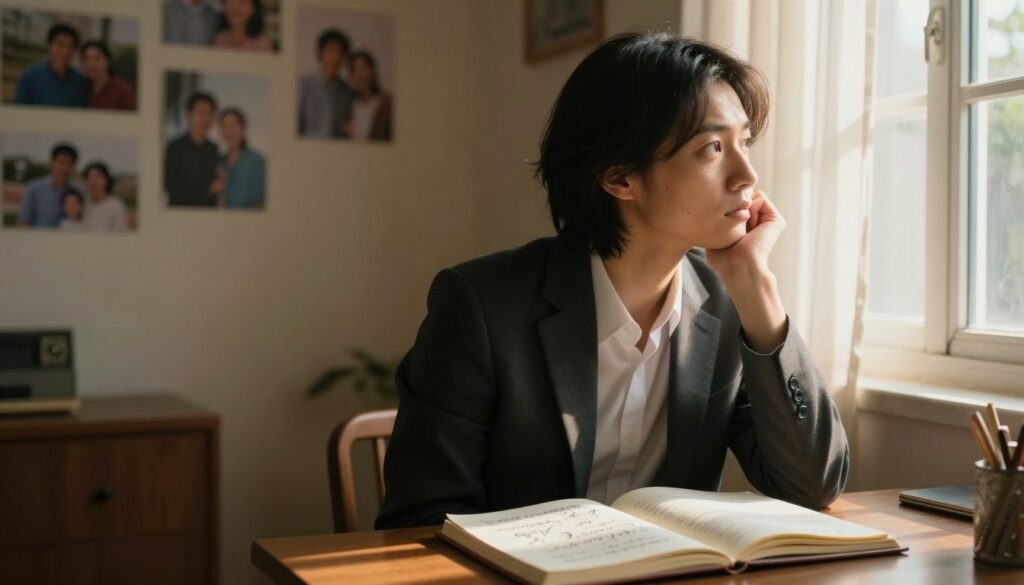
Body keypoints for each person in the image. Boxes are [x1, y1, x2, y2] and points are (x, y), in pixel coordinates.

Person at [376, 33, 850, 529]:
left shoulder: (730, 306)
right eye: (712, 147)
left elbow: (811, 486)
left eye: (744, 142)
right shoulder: (481, 307)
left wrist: (758, 289)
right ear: (620, 177)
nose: (746, 175)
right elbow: (420, 522)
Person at [164, 92, 219, 207]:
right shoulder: (174, 148)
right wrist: (208, 189)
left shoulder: (214, 150)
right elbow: (170, 186)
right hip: (180, 216)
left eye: (208, 113)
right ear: (188, 114)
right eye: (200, 113)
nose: (204, 118)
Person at [13, 23, 87, 107]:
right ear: (50, 46)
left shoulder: (80, 82)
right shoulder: (29, 77)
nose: (64, 51)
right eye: (60, 45)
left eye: (70, 47)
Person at [297, 29, 354, 138]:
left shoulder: (348, 92)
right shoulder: (303, 85)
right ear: (320, 53)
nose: (336, 57)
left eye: (341, 52)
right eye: (331, 51)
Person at [211, 108, 266, 209]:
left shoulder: (256, 161)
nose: (229, 130)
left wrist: (226, 188)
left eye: (234, 125)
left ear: (243, 130)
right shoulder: (220, 160)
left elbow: (259, 202)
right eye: (225, 125)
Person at [17, 143, 78, 228]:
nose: (64, 168)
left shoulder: (77, 192)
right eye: (61, 163)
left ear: (73, 168)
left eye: (69, 164)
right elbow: (24, 222)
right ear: (52, 163)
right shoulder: (34, 189)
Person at [345, 51, 392, 141]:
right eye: (355, 69)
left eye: (363, 68)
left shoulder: (386, 103)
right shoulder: (348, 102)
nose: (359, 74)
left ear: (372, 71)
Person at [80, 40, 136, 111]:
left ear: (108, 61)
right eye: (87, 59)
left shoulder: (122, 90)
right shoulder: (82, 88)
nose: (92, 64)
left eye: (97, 58)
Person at [81, 162, 129, 231]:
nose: (93, 182)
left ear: (106, 180)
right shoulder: (84, 204)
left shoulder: (116, 206)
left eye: (97, 177)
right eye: (89, 178)